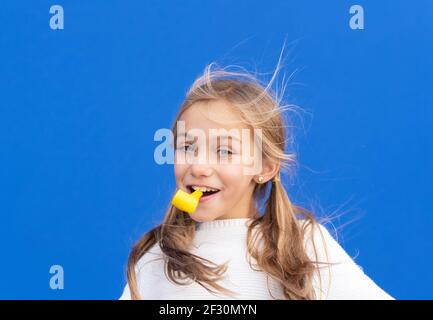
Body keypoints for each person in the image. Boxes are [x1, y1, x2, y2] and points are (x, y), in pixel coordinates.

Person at [119, 60, 394, 300]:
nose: (199, 166)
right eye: (188, 147)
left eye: (224, 151)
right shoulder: (157, 257)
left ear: (265, 167)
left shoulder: (303, 246)